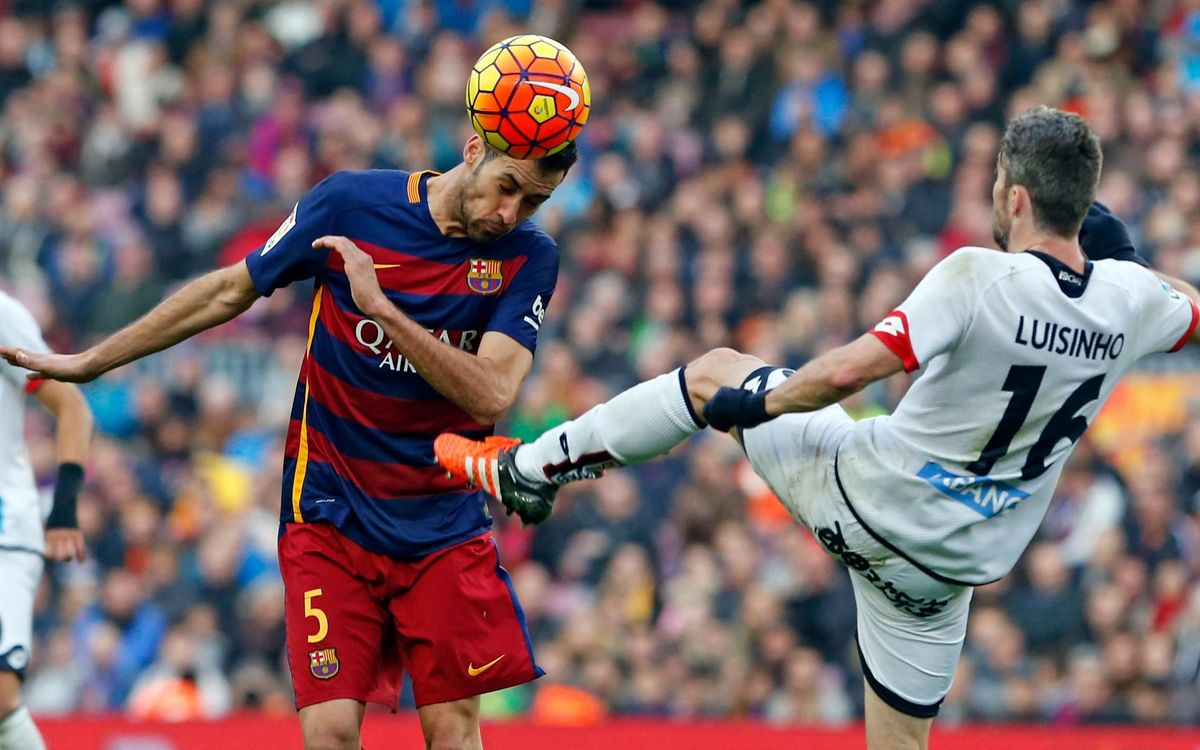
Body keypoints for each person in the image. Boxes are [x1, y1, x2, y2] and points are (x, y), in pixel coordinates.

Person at [433, 106, 1200, 749]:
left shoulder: (979, 274)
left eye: (1001, 188)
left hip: (866, 497)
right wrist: (1120, 263)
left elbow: (849, 372)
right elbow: (1183, 304)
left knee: (713, 371)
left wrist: (755, 406)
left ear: (1017, 198)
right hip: (945, 576)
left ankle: (526, 470)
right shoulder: (1130, 299)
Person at [0, 133, 577, 750]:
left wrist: (380, 309)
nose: (510, 213)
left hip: (443, 524)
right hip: (329, 513)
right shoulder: (350, 206)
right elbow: (229, 290)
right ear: (473, 150)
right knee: (327, 732)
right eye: (507, 187)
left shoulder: (529, 257)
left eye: (533, 201)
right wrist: (94, 360)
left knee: (454, 730)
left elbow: (491, 394)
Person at [0, 292, 92, 750]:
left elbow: (72, 406)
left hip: (5, 532)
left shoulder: (2, 316)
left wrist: (64, 508)